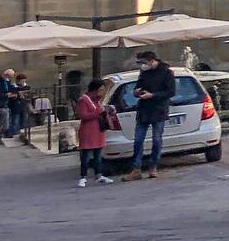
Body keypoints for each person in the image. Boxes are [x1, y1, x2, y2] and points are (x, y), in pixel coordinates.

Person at [126, 50, 175, 179]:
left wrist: (152, 95)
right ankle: (136, 169)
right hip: (144, 110)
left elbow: (171, 92)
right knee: (138, 139)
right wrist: (137, 92)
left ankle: (153, 166)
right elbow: (138, 86)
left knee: (156, 139)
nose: (142, 65)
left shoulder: (166, 72)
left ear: (151, 61)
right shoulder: (144, 72)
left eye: (144, 62)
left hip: (159, 109)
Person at [73, 79, 114, 187]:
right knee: (86, 156)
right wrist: (97, 112)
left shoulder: (98, 101)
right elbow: (83, 115)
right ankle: (83, 177)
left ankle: (99, 175)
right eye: (100, 90)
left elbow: (101, 112)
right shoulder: (84, 100)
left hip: (98, 131)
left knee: (98, 155)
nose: (101, 93)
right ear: (94, 90)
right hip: (88, 131)